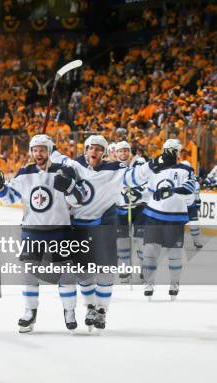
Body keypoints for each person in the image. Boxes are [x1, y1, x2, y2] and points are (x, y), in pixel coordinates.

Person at [50, 135, 176, 330]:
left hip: (104, 227)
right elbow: (53, 156)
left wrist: (157, 162)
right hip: (78, 228)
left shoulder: (115, 169)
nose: (94, 151)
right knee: (83, 273)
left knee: (106, 273)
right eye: (91, 148)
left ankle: (102, 311)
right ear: (86, 149)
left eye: (99, 149)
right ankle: (90, 306)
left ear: (105, 152)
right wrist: (55, 161)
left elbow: (137, 175)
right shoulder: (74, 165)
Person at [0, 134, 84, 332]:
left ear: (49, 151)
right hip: (32, 232)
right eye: (35, 149)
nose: (38, 153)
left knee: (65, 274)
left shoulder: (62, 172)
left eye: (42, 149)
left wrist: (68, 186)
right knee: (29, 275)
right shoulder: (24, 173)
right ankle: (30, 312)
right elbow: (10, 197)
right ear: (31, 152)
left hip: (61, 231)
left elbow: (78, 200)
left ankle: (69, 311)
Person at [126, 139, 196, 300]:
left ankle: (174, 283)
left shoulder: (186, 169)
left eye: (174, 150)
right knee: (150, 252)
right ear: (164, 150)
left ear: (179, 152)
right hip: (153, 217)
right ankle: (149, 283)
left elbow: (190, 189)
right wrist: (137, 195)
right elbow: (148, 193)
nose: (171, 152)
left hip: (175, 218)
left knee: (175, 254)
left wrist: (171, 191)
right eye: (168, 149)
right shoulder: (154, 169)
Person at [114, 141, 149, 283]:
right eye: (120, 151)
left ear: (130, 152)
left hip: (140, 208)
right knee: (122, 242)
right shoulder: (112, 168)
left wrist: (138, 192)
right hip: (121, 209)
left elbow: (147, 181)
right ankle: (124, 269)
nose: (123, 154)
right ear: (116, 154)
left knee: (140, 241)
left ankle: (142, 268)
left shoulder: (139, 164)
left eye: (125, 151)